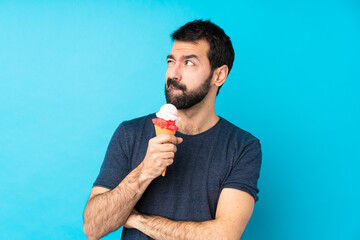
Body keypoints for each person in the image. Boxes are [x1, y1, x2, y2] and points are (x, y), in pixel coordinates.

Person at [83, 19, 262, 240]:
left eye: (189, 63)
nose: (173, 74)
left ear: (219, 75)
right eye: (171, 61)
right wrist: (143, 172)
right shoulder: (130, 133)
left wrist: (138, 220)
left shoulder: (242, 147)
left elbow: (223, 236)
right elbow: (92, 228)